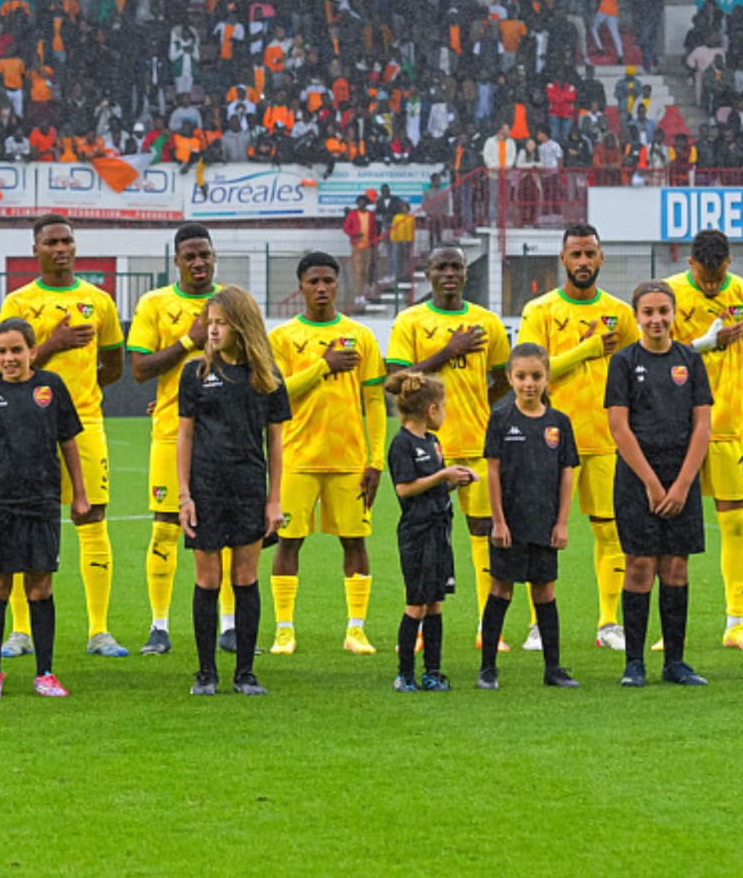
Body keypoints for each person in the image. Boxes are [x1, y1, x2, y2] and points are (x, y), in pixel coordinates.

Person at [0, 214, 128, 658]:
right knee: (21, 522)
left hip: (85, 424)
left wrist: (78, 397)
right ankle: (20, 631)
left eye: (67, 240)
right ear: (35, 250)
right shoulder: (18, 302)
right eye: (51, 242)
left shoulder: (98, 301)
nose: (61, 248)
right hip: (25, 426)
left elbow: (113, 364)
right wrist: (52, 345)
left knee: (92, 518)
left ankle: (99, 631)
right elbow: (9, 364)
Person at [0, 318, 88, 699]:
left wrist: (79, 493)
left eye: (16, 350)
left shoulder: (51, 387)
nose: (9, 358)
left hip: (42, 503)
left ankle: (44, 673)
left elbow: (69, 443)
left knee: (40, 587)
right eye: (1, 351)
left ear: (32, 351)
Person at [517, 224, 638, 649]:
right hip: (548, 441)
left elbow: (637, 371)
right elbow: (534, 371)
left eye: (590, 254)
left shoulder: (621, 313)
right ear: (563, 260)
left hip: (606, 439)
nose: (583, 262)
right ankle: (538, 624)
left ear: (601, 258)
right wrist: (587, 349)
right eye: (576, 255)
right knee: (541, 532)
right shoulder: (540, 310)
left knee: (610, 532)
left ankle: (608, 624)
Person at [386, 246, 511, 651]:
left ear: (466, 273)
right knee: (427, 538)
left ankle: (485, 627)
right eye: (441, 266)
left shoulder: (487, 322)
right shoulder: (411, 321)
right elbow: (393, 381)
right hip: (426, 450)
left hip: (475, 444)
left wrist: (478, 407)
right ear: (427, 273)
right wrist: (446, 353)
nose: (450, 273)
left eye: (456, 266)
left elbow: (503, 378)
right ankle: (421, 624)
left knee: (484, 534)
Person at [267, 252, 386, 656]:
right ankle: (284, 629)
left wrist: (376, 460)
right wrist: (323, 365)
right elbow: (277, 393)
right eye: (313, 281)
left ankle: (356, 629)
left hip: (349, 460)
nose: (321, 288)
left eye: (328, 281)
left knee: (355, 541)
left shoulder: (361, 336)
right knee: (288, 542)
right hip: (297, 458)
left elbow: (375, 400)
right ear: (300, 286)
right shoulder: (282, 338)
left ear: (338, 285)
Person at [177, 287, 290, 697]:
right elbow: (184, 437)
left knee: (245, 578)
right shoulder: (194, 373)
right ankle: (206, 673)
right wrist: (185, 495)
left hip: (248, 490)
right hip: (205, 491)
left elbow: (275, 443)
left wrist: (274, 499)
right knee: (208, 580)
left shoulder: (267, 378)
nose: (212, 330)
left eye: (220, 323)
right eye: (209, 323)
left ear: (241, 325)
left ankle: (246, 673)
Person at [667, 229, 743, 652]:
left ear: (728, 263)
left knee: (733, 521)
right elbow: (661, 354)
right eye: (704, 276)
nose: (711, 284)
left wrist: (725, 381)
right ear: (691, 263)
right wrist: (709, 350)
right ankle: (670, 626)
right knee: (675, 525)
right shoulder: (672, 293)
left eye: (717, 277)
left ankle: (735, 623)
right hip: (677, 427)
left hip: (730, 424)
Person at [127, 223, 231, 656]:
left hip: (225, 435)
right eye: (189, 256)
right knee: (166, 526)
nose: (198, 262)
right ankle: (159, 626)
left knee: (225, 529)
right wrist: (189, 339)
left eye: (204, 254)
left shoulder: (232, 302)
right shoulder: (155, 303)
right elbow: (139, 368)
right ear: (176, 261)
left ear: (213, 256)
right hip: (172, 433)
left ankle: (228, 626)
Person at [605, 281, 713, 688]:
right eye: (648, 312)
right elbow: (619, 426)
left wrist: (683, 484)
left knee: (676, 567)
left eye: (663, 311)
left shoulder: (690, 360)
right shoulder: (623, 362)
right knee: (640, 567)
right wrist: (651, 482)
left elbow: (702, 425)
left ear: (674, 314)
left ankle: (676, 662)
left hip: (680, 476)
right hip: (638, 479)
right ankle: (634, 662)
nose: (656, 319)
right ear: (637, 316)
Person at [480, 343, 581, 689]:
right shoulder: (501, 419)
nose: (528, 384)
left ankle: (553, 668)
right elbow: (493, 471)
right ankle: (488, 669)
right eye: (521, 376)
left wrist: (562, 522)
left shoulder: (559, 423)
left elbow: (567, 473)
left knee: (545, 591)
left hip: (544, 522)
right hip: (510, 522)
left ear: (547, 377)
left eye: (536, 376)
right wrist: (499, 521)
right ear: (509, 378)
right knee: (501, 589)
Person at [385, 369, 473, 693]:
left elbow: (432, 487)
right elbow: (405, 488)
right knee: (416, 604)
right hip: (416, 534)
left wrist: (453, 481)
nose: (446, 413)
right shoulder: (402, 443)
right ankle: (404, 674)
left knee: (435, 603)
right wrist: (442, 476)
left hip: (439, 530)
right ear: (431, 410)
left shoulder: (433, 442)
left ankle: (432, 672)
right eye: (444, 406)